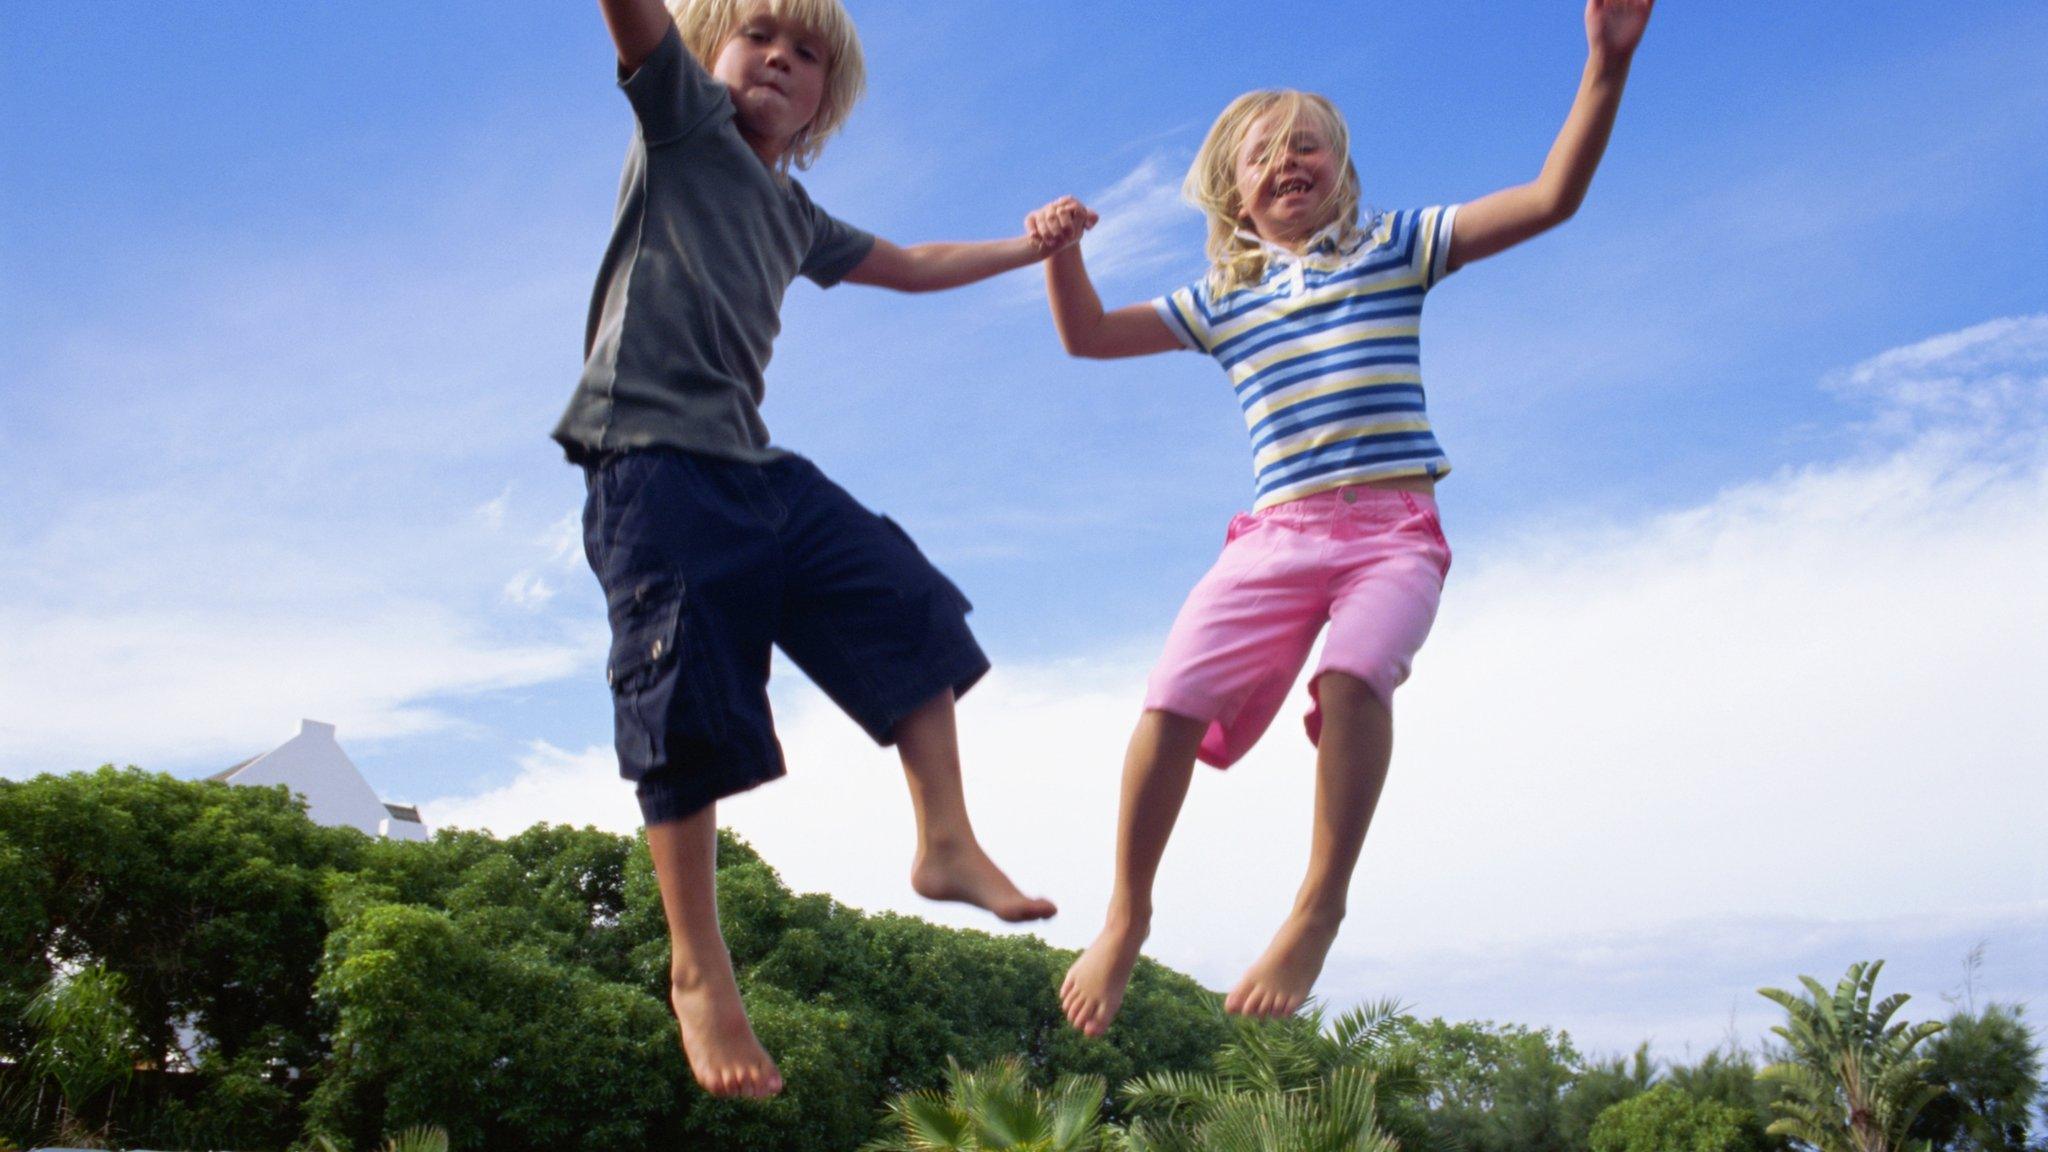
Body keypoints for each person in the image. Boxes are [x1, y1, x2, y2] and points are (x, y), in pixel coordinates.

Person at [1029, 0, 1656, 1036]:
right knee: (1168, 704)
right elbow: (1088, 336)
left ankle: (1318, 902)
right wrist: (1059, 252)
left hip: (1391, 535)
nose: (1286, 164)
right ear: (1232, 196)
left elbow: (1549, 198)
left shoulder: (1395, 247)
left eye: (1304, 145)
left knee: (1354, 672)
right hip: (1273, 539)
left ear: (1340, 168)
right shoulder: (1223, 301)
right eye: (1262, 157)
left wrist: (1603, 65)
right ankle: (1126, 913)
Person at [559, 0, 1071, 1097]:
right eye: (760, 38)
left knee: (901, 598)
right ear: (709, 56)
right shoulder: (681, 124)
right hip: (649, 463)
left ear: (821, 106)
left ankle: (943, 841)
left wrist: (1026, 247)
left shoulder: (793, 216)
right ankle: (698, 965)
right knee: (683, 697)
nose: (781, 61)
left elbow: (916, 261)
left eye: (806, 57)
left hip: (750, 469)